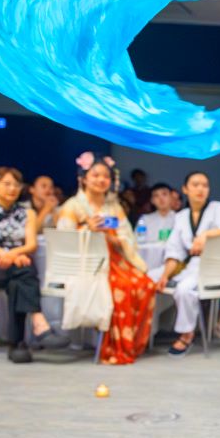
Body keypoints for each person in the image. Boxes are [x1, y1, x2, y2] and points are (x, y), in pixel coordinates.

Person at [57, 153, 156, 365]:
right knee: (121, 286)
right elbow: (63, 240)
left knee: (144, 284)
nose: (101, 180)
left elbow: (127, 235)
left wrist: (116, 238)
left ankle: (131, 344)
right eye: (96, 175)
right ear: (84, 178)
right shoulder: (72, 206)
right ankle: (113, 346)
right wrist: (86, 229)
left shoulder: (114, 207)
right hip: (87, 263)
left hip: (114, 260)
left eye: (106, 176)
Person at [0, 167, 69, 362]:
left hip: (19, 262)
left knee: (19, 280)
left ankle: (16, 345)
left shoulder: (27, 213)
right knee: (24, 272)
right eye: (6, 184)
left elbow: (31, 244)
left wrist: (15, 256)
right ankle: (37, 323)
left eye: (16, 184)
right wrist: (13, 256)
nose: (12, 188)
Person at [153, 171, 220, 357]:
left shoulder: (218, 208)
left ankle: (186, 334)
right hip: (190, 266)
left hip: (213, 266)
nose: (200, 189)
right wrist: (165, 276)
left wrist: (205, 235)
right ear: (185, 189)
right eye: (195, 184)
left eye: (205, 185)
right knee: (149, 278)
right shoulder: (181, 216)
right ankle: (148, 332)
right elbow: (174, 251)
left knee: (184, 289)